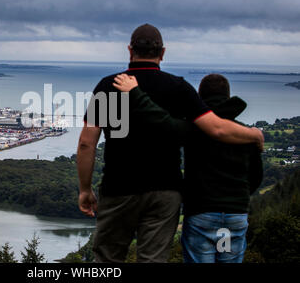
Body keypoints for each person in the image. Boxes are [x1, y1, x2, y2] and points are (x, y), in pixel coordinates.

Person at [77, 23, 264, 263]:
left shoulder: (108, 86)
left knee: (106, 259)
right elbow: (217, 129)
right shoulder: (179, 88)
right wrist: (255, 136)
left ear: (129, 50)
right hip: (165, 190)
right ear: (162, 53)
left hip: (118, 187)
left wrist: (85, 189)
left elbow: (86, 143)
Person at [113, 73, 263, 263]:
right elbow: (256, 176)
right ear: (228, 95)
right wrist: (235, 198)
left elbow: (161, 120)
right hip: (235, 215)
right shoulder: (246, 135)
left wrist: (135, 93)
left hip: (201, 213)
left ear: (200, 97)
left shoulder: (193, 129)